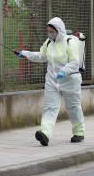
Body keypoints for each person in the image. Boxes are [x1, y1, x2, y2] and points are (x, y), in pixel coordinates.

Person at [18, 17, 85, 146]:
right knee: (50, 107)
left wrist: (64, 71)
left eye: (52, 31)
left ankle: (79, 132)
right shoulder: (49, 42)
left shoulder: (70, 42)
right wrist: (26, 54)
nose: (49, 34)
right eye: (48, 31)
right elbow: (42, 56)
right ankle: (45, 133)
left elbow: (74, 62)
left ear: (59, 31)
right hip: (52, 80)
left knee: (73, 107)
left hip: (70, 80)